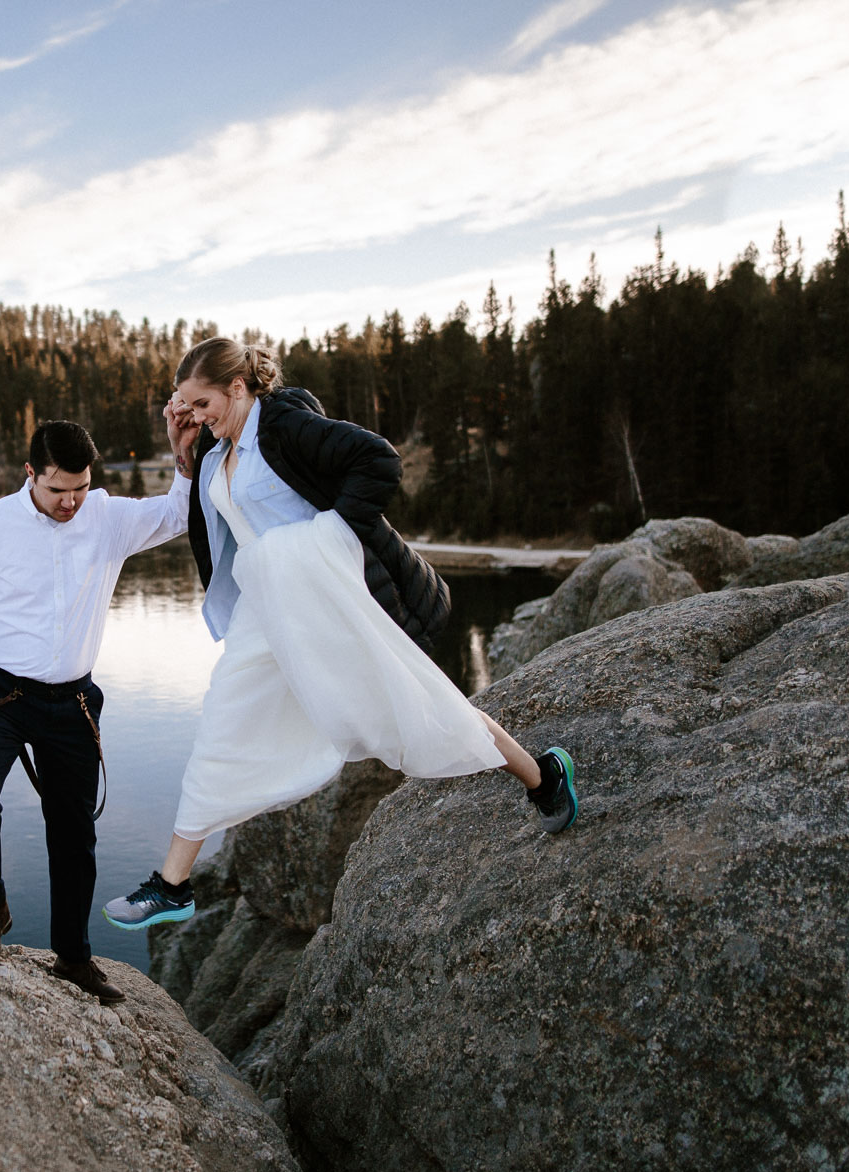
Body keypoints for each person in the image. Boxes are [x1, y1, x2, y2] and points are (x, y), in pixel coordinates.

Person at [102, 338, 580, 930]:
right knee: (222, 727)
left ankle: (543, 777)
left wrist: (325, 541)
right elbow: (217, 524)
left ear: (237, 387)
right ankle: (172, 884)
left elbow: (378, 462)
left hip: (324, 600)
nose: (194, 417)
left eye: (201, 404)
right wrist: (184, 454)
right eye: (186, 408)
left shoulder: (285, 424)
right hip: (266, 613)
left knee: (423, 704)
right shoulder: (212, 449)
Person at [0, 414, 200, 1003]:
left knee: (74, 834)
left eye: (80, 487)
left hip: (72, 698)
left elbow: (179, 514)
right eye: (57, 490)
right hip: (0, 692)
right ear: (30, 474)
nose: (71, 501)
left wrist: (183, 456)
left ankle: (74, 958)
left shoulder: (107, 516)